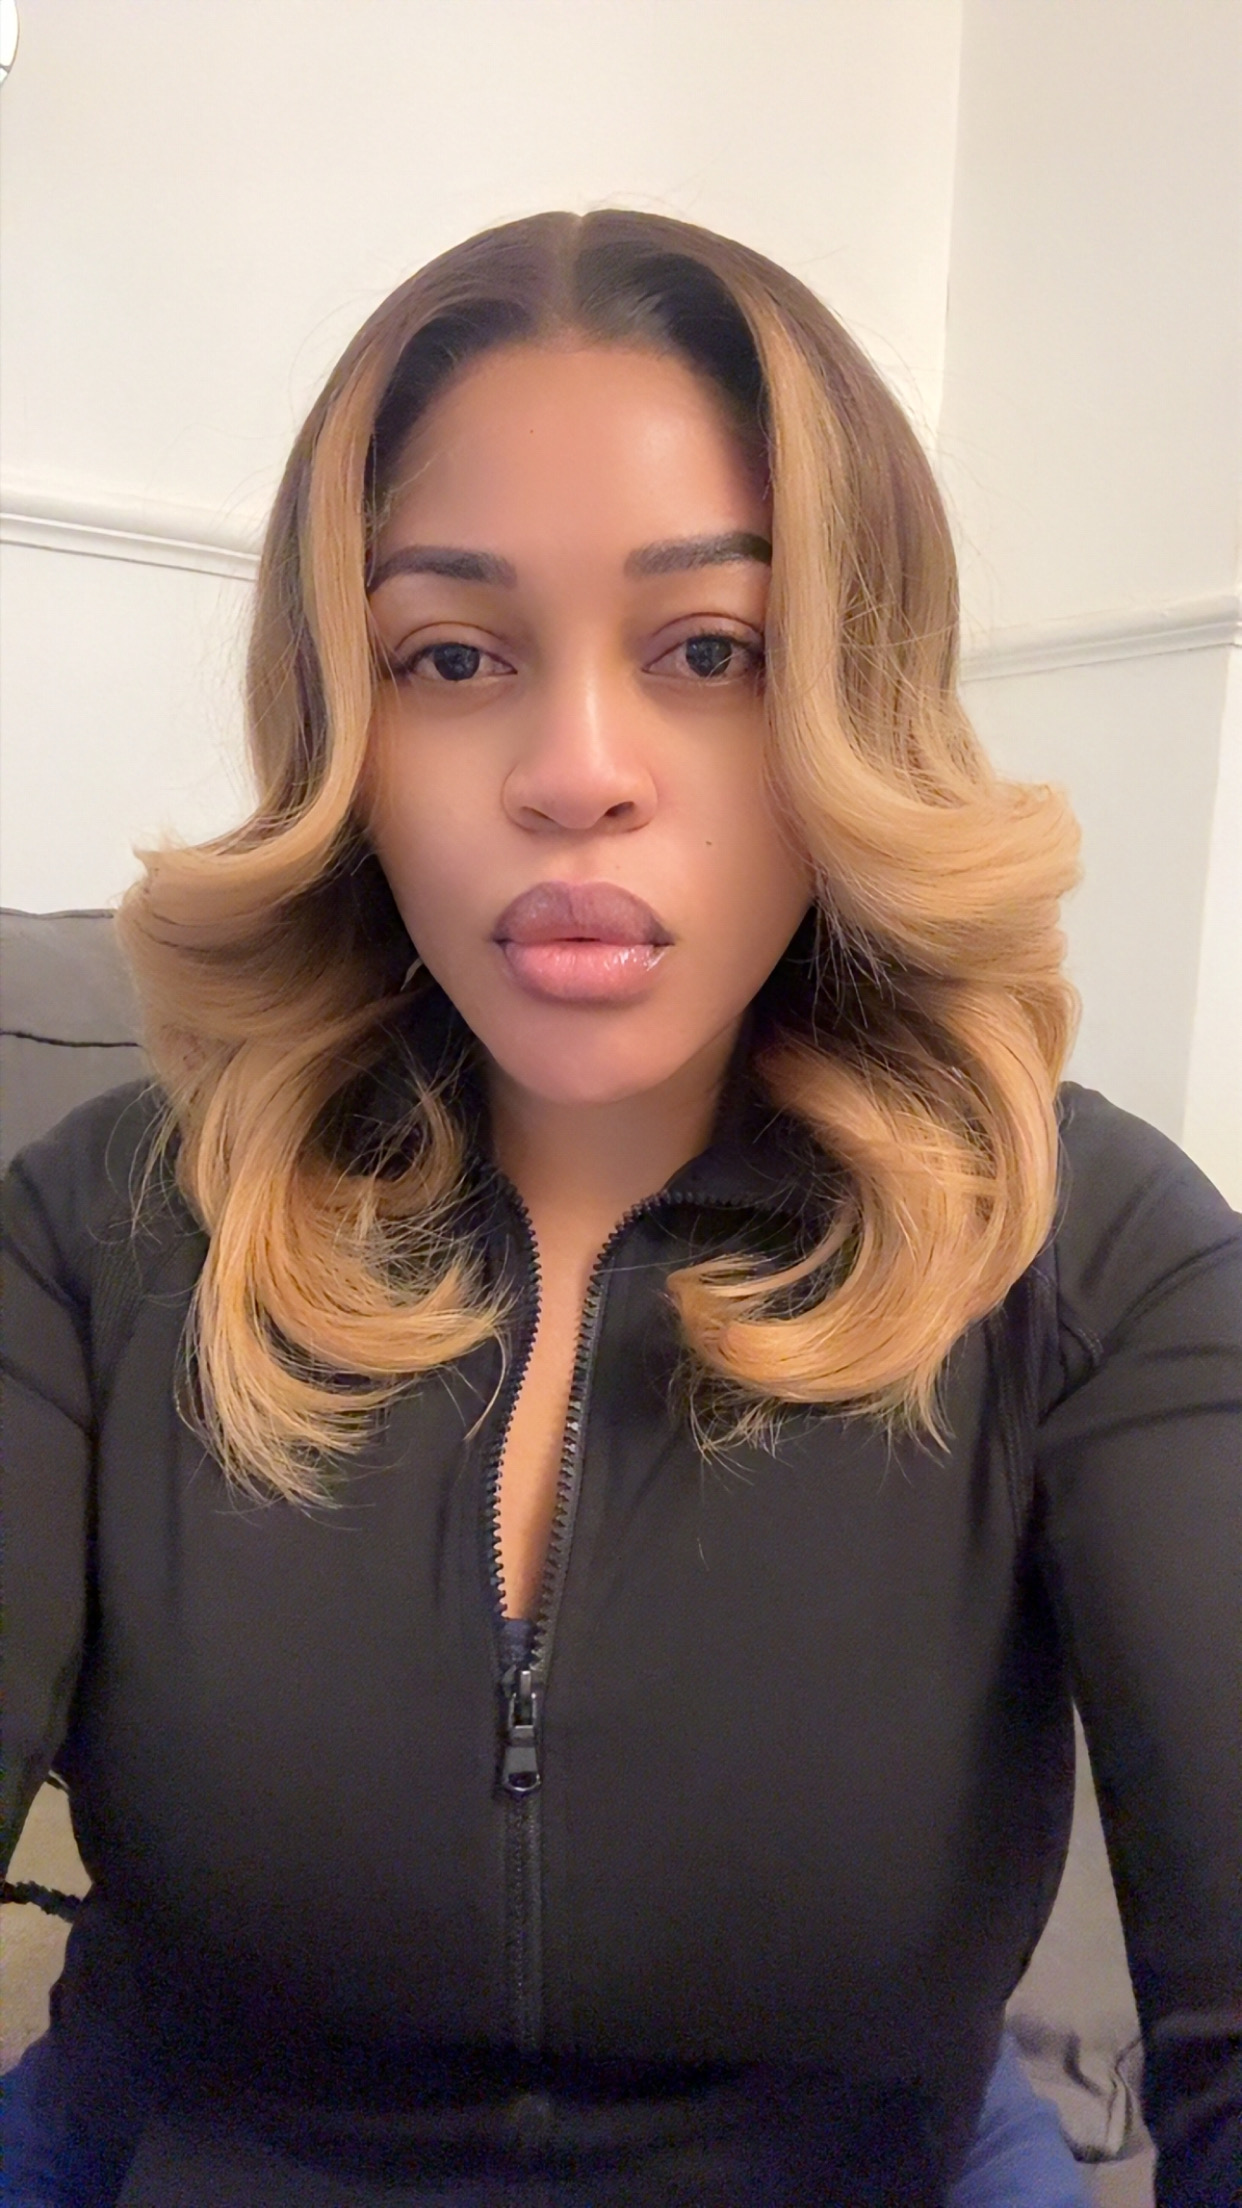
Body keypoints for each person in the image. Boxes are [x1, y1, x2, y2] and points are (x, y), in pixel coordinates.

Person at [1, 209, 1238, 2207]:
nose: (575, 773)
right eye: (454, 657)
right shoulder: (99, 1234)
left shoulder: (1093, 1256)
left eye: (710, 653)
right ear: (348, 728)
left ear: (852, 701)